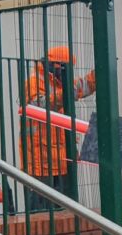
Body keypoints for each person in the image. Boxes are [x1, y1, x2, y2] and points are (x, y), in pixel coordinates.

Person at [21, 45, 95, 211]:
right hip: (40, 161)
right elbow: (39, 105)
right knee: (40, 213)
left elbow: (84, 86)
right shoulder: (34, 82)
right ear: (55, 65)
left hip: (63, 158)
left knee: (65, 210)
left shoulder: (60, 83)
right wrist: (68, 93)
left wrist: (99, 75)